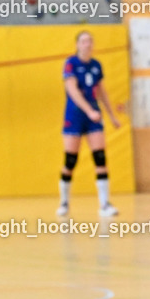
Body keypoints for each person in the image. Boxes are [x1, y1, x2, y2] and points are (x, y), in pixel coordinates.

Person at [58, 31, 120, 217]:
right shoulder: (71, 64)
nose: (87, 44)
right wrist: (89, 111)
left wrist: (111, 115)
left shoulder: (96, 65)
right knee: (70, 161)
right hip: (75, 115)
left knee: (100, 157)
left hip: (93, 117)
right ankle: (64, 202)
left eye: (90, 41)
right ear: (77, 44)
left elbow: (101, 92)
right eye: (84, 41)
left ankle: (104, 205)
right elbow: (73, 91)